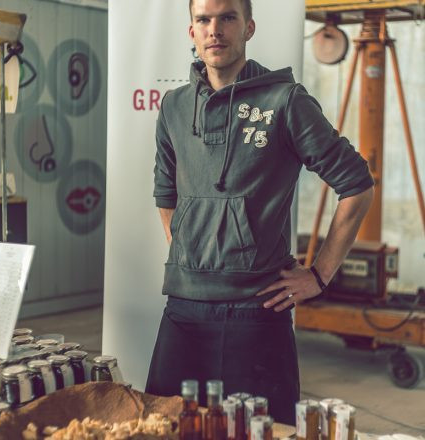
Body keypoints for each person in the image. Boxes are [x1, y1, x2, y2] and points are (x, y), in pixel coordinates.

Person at [146, 0, 374, 426]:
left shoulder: (285, 101)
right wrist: (189, 254)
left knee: (265, 432)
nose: (215, 29)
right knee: (166, 428)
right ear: (191, 31)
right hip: (183, 310)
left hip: (256, 311)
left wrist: (319, 275)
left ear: (248, 28)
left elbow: (356, 185)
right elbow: (165, 193)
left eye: (228, 17)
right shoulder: (174, 106)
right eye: (204, 20)